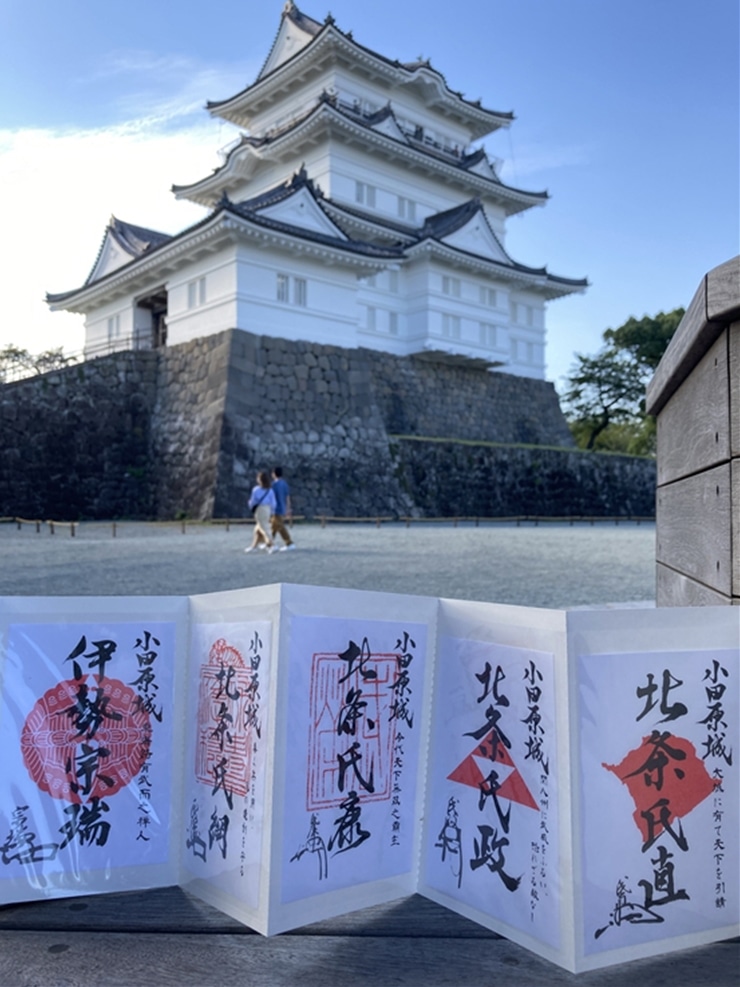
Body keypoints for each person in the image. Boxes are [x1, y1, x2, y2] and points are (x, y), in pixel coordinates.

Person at [245, 471, 277, 553]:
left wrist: (250, 505)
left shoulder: (256, 490)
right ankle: (254, 545)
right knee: (257, 529)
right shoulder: (270, 490)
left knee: (264, 528)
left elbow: (253, 501)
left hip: (260, 509)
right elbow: (273, 503)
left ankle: (271, 545)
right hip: (267, 509)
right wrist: (272, 512)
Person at [271, 466, 296, 550]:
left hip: (275, 508)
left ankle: (289, 543)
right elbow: (287, 497)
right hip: (282, 507)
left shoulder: (273, 485)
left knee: (280, 526)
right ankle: (269, 542)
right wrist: (288, 508)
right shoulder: (285, 484)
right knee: (273, 526)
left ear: (274, 474)